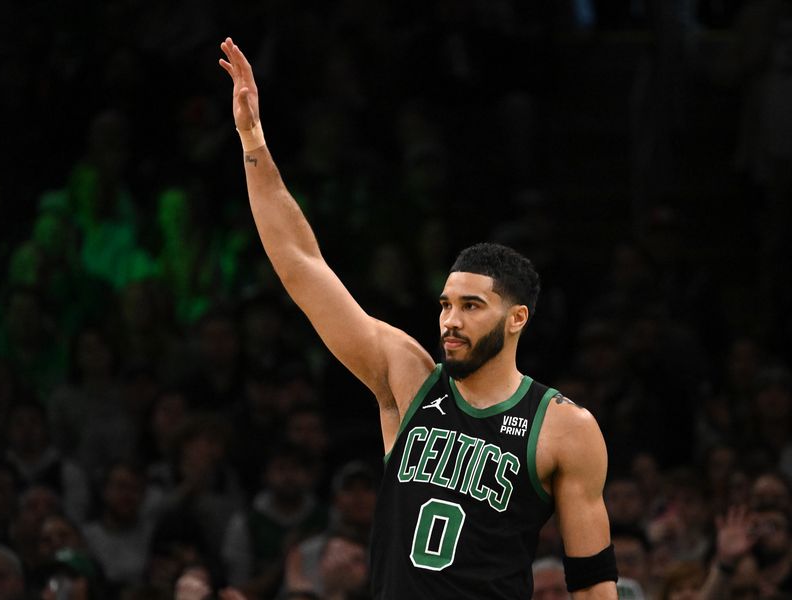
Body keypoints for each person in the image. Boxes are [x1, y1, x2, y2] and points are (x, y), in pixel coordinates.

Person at [218, 37, 618, 599]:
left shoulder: (565, 429)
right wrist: (253, 143)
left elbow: (594, 584)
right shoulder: (409, 378)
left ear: (517, 319)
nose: (450, 320)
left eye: (471, 307)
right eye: (446, 305)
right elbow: (303, 269)